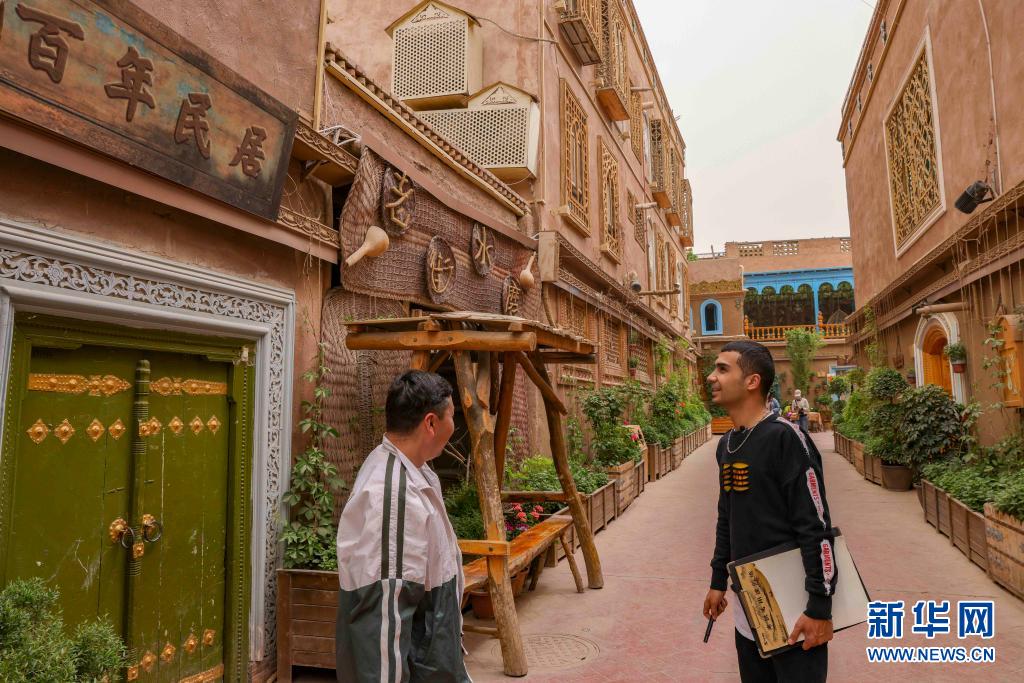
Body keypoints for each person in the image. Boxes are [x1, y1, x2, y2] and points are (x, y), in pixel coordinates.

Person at [703, 341, 837, 683]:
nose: (711, 377)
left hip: (795, 611)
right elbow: (727, 516)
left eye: (722, 369)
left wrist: (819, 607)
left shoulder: (786, 439)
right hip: (749, 606)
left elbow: (815, 526)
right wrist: (718, 580)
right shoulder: (727, 443)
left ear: (752, 381)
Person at [335, 370, 472, 682]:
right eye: (452, 416)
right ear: (431, 423)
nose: (454, 425)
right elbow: (383, 622)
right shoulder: (394, 495)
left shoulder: (413, 472)